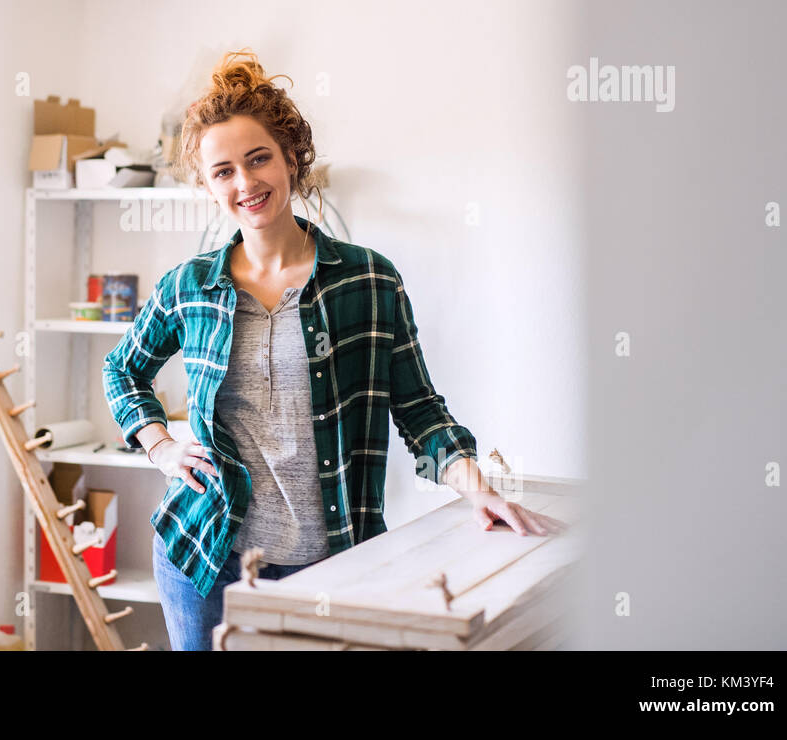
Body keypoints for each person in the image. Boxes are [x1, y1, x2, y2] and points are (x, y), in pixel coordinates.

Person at [102, 49, 565, 651]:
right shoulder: (191, 286)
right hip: (203, 554)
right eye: (223, 172)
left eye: (258, 158)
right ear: (208, 186)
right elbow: (122, 370)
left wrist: (480, 490)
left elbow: (419, 410)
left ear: (291, 158)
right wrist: (160, 446)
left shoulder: (368, 281)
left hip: (333, 563)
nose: (245, 183)